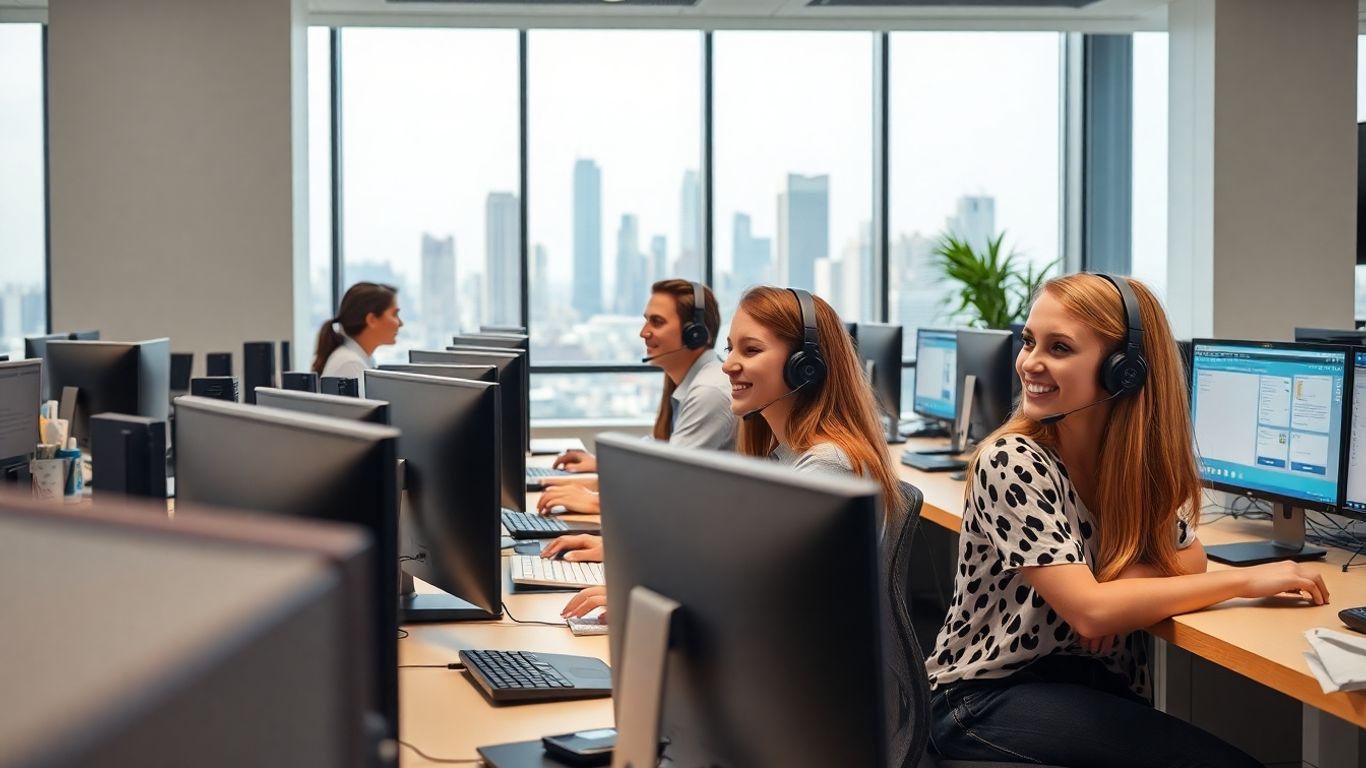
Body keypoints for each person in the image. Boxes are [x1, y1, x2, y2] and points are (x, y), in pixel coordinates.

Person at [925, 273, 1325, 767]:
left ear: (1125, 371)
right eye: (1029, 341)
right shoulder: (1011, 460)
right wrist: (1244, 581)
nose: (1030, 362)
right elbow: (1092, 614)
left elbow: (1190, 557)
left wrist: (1118, 589)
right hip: (984, 696)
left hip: (1086, 686)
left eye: (1059, 347)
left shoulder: (1130, 467)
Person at [552, 286, 905, 621]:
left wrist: (643, 595)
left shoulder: (826, 468)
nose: (727, 365)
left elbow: (761, 593)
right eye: (730, 348)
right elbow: (735, 560)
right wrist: (633, 557)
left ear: (805, 366)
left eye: (750, 350)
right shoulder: (783, 456)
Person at [537, 279, 735, 516]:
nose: (644, 332)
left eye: (657, 322)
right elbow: (661, 452)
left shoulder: (709, 391)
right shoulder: (692, 382)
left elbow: (669, 482)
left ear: (694, 333)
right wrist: (603, 464)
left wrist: (596, 502)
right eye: (646, 320)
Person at [310, 282, 402, 395]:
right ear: (372, 320)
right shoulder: (350, 364)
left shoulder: (357, 359)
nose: (400, 323)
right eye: (394, 314)